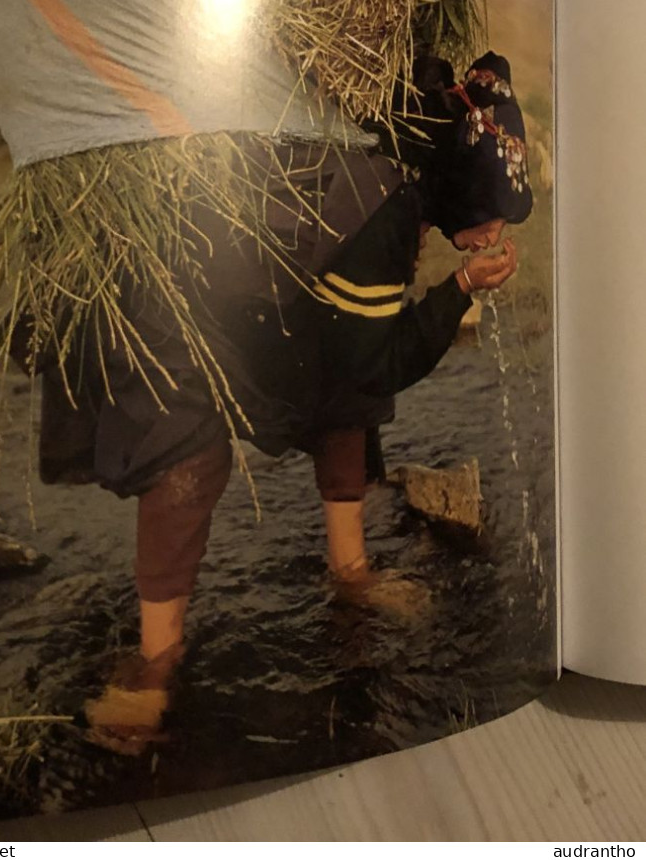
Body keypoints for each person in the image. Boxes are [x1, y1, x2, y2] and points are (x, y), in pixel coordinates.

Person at [79, 50, 532, 752]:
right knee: (190, 451)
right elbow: (376, 365)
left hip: (278, 298)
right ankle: (155, 659)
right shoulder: (386, 208)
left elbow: (351, 370)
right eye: (497, 214)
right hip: (188, 299)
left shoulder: (402, 182)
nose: (502, 233)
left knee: (340, 394)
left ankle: (349, 570)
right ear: (464, 190)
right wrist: (461, 289)